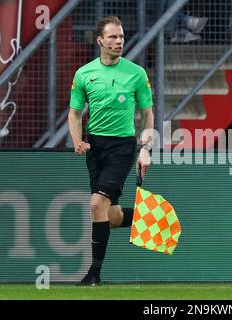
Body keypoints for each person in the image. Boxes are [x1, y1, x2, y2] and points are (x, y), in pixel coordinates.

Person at [68, 16, 154, 286]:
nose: (119, 42)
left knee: (95, 204)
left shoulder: (136, 73)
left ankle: (94, 274)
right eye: (113, 37)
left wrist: (145, 148)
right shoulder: (84, 74)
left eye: (122, 37)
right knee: (110, 215)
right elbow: (74, 113)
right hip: (95, 146)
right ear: (100, 41)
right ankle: (147, 218)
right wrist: (77, 140)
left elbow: (147, 114)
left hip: (122, 146)